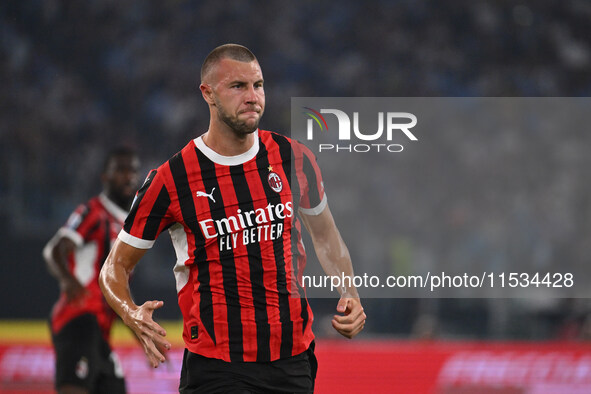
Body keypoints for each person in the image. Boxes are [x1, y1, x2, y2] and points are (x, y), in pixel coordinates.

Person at [99, 44, 366, 393]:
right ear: (207, 93)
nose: (252, 96)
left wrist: (350, 292)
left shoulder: (293, 157)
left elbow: (325, 234)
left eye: (258, 85)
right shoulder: (171, 179)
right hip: (217, 368)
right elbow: (114, 267)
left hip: (293, 360)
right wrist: (129, 311)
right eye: (238, 86)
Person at [43, 147, 140, 394]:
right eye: (120, 170)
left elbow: (117, 293)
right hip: (79, 320)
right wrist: (67, 280)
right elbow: (55, 250)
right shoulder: (92, 212)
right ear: (104, 177)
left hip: (101, 333)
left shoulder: (128, 229)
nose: (128, 176)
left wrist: (141, 332)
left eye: (133, 170)